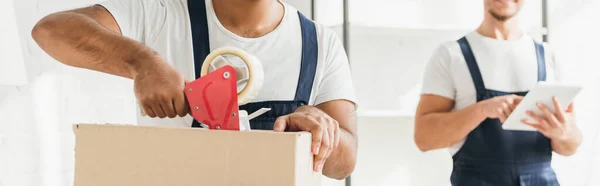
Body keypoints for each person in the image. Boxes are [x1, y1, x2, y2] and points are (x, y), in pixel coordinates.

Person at [31, 0, 357, 179]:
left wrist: (324, 129)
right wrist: (141, 61)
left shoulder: (320, 43)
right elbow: (50, 31)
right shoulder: (162, 15)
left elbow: (344, 163)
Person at [414, 0, 582, 185]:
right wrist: (483, 110)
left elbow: (570, 146)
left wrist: (564, 134)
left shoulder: (548, 55)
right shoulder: (450, 55)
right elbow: (424, 138)